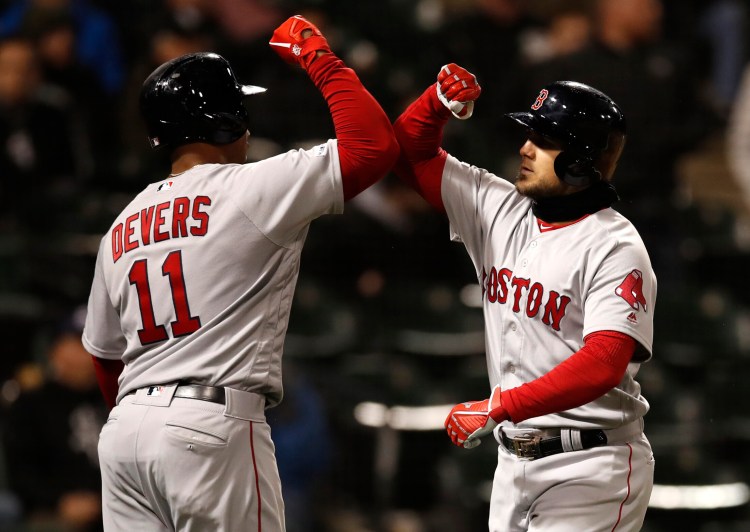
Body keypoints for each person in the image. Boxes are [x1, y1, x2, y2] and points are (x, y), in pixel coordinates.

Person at [81, 15, 398, 532]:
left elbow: (104, 357)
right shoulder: (250, 187)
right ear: (225, 123)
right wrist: (320, 59)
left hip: (124, 437)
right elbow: (372, 146)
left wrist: (144, 413)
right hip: (210, 423)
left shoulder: (121, 224)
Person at [392, 63, 656, 531]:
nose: (525, 148)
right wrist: (436, 103)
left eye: (545, 140)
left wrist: (499, 406)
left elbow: (604, 362)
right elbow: (408, 154)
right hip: (512, 463)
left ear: (580, 158)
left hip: (591, 467)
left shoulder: (615, 246)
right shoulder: (500, 207)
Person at [3, 307, 106, 532]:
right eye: (80, 344)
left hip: (116, 507)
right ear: (56, 350)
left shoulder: (112, 399)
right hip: (56, 512)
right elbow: (21, 474)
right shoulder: (32, 403)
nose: (90, 355)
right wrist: (59, 501)